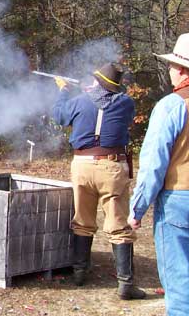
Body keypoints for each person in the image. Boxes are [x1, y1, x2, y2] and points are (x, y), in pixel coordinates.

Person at [52, 62, 145, 300]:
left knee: (82, 220)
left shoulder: (81, 100)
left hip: (82, 165)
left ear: (98, 83)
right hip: (111, 166)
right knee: (118, 225)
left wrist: (63, 90)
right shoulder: (126, 102)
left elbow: (59, 116)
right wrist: (92, 89)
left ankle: (80, 273)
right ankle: (125, 283)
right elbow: (116, 110)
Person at [129, 33, 189, 316]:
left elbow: (154, 163)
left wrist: (137, 208)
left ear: (182, 70)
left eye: (172, 66)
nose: (170, 70)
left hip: (179, 201)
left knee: (180, 287)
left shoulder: (171, 105)